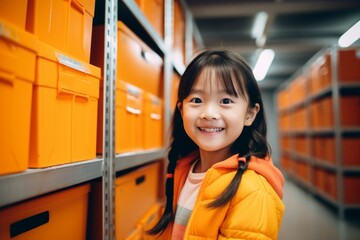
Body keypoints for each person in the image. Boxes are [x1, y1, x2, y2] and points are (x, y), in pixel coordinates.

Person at [148, 49, 285, 239]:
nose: (209, 113)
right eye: (197, 100)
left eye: (226, 101)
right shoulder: (185, 169)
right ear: (181, 110)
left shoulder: (253, 192)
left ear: (249, 114)